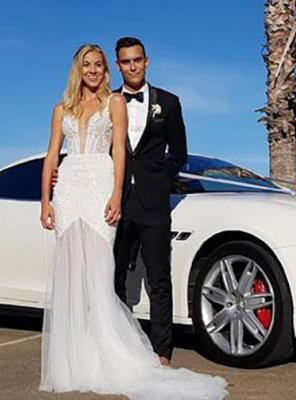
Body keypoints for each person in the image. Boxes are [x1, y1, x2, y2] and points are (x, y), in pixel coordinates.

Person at [39, 43, 227, 400]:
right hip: (87, 194)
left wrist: (151, 183)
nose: (95, 70)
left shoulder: (149, 103)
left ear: (144, 62)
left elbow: (158, 151)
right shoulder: (76, 105)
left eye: (100, 64)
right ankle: (79, 356)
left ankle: (160, 355)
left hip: (128, 196)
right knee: (92, 277)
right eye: (88, 65)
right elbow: (55, 154)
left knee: (148, 275)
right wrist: (47, 198)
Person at [112, 36, 187, 367]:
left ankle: (162, 354)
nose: (132, 66)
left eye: (137, 60)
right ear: (118, 65)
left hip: (154, 204)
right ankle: (114, 347)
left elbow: (179, 153)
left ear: (146, 61)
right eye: (126, 61)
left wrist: (160, 181)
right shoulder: (107, 101)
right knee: (111, 277)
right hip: (114, 202)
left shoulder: (168, 103)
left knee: (160, 279)